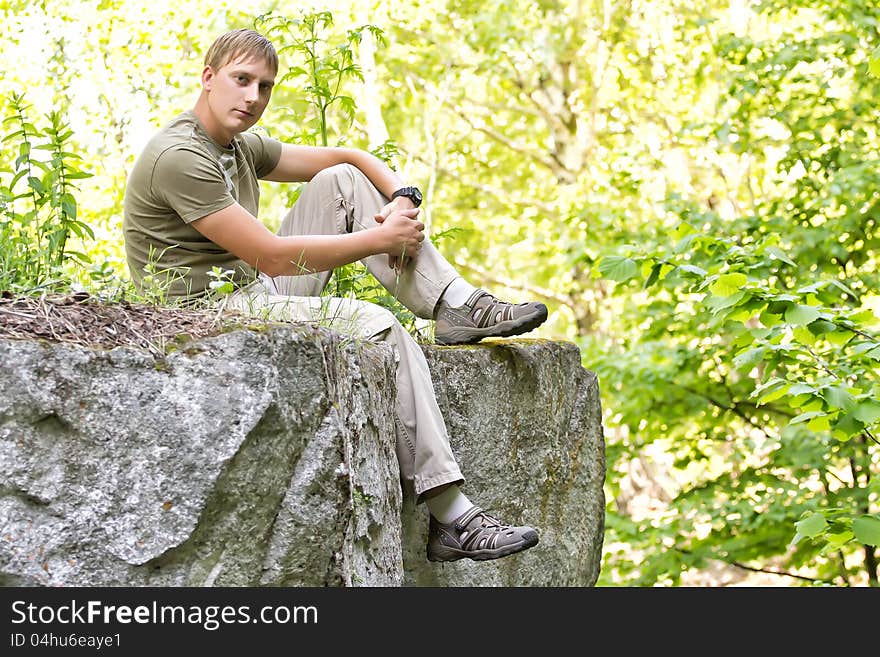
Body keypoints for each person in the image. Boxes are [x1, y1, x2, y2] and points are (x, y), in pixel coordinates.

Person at [123, 28, 548, 563]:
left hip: (253, 293)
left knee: (343, 179)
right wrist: (380, 239)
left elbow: (349, 156)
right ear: (208, 79)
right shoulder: (180, 157)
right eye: (241, 80)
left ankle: (455, 306)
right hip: (210, 313)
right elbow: (272, 256)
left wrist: (400, 199)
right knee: (378, 327)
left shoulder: (237, 146)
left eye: (265, 86)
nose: (253, 97)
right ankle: (454, 517)